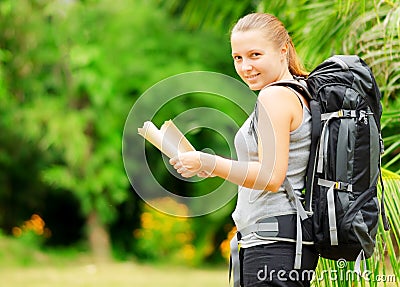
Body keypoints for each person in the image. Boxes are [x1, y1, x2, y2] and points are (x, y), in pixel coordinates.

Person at [169, 12, 319, 286]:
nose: (245, 66)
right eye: (238, 57)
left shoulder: (274, 96)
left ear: (283, 50)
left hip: (273, 246)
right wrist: (212, 168)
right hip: (278, 243)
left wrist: (208, 160)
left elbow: (271, 177)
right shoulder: (298, 91)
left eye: (255, 55)